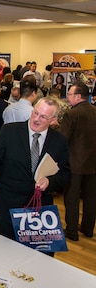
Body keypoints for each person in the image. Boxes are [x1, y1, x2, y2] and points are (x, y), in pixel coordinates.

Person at [0, 97, 70, 241]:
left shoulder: (59, 141)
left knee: (38, 256)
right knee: (8, 252)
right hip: (8, 206)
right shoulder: (9, 131)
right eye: (35, 113)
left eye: (43, 117)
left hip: (39, 211)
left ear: (53, 120)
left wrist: (50, 182)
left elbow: (65, 173)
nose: (36, 119)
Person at [60, 82, 96, 241]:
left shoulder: (71, 115)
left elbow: (63, 139)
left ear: (78, 96)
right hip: (93, 163)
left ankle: (72, 231)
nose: (67, 98)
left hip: (74, 164)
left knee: (72, 199)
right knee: (90, 198)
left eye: (69, 95)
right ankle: (88, 229)